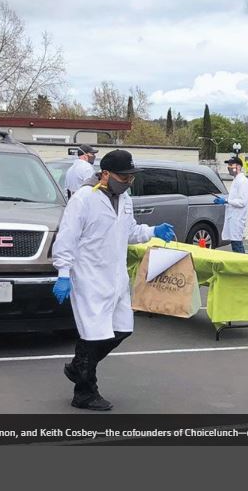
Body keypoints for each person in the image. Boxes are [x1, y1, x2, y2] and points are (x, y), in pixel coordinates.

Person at [52, 149, 176, 410]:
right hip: (89, 277)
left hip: (116, 276)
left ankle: (78, 367)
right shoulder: (85, 198)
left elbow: (128, 230)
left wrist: (153, 230)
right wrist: (63, 273)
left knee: (122, 329)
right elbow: (66, 238)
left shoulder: (125, 198)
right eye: (124, 176)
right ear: (105, 174)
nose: (128, 181)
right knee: (93, 335)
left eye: (131, 177)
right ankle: (84, 392)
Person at [214, 156, 248, 253]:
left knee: (237, 244)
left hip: (237, 218)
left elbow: (242, 202)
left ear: (238, 167)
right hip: (233, 217)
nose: (229, 167)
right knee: (235, 244)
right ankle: (240, 265)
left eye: (231, 165)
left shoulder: (243, 182)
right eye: (228, 165)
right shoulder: (236, 180)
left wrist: (226, 201)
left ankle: (242, 265)